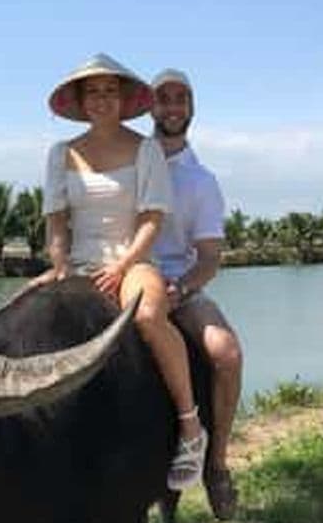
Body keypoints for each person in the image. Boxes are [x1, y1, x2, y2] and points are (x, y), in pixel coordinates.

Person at [40, 52, 207, 490]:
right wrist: (59, 266)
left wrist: (125, 264)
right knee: (23, 317)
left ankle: (190, 426)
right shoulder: (62, 153)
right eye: (92, 92)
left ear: (123, 98)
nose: (101, 99)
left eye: (109, 91)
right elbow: (56, 222)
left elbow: (152, 217)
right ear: (80, 101)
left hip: (131, 259)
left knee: (150, 316)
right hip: (78, 262)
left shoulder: (145, 148)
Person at [150, 68, 244, 518]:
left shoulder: (202, 182)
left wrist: (181, 287)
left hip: (178, 287)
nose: (171, 107)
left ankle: (217, 464)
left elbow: (209, 258)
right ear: (149, 106)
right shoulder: (129, 162)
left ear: (190, 109)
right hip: (122, 278)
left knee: (225, 353)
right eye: (162, 98)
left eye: (180, 99)